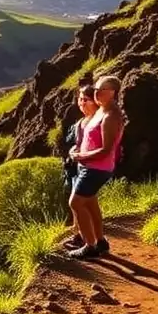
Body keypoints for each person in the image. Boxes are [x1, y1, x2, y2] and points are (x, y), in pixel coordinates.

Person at [67, 75, 124, 260]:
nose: (97, 93)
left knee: (75, 203)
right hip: (90, 166)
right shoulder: (101, 110)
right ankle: (100, 241)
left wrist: (81, 156)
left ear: (113, 93)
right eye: (97, 89)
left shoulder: (110, 116)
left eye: (102, 90)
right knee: (90, 202)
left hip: (97, 168)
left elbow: (106, 149)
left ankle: (90, 246)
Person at [62, 84, 99, 245]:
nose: (81, 103)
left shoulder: (99, 121)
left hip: (89, 168)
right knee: (80, 203)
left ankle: (89, 241)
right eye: (80, 99)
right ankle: (79, 234)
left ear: (96, 101)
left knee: (80, 203)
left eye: (86, 100)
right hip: (75, 167)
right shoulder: (81, 122)